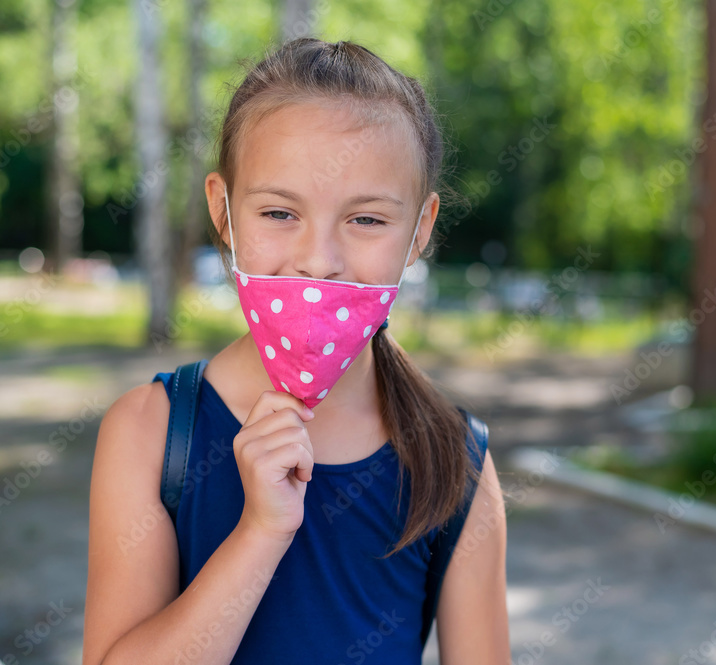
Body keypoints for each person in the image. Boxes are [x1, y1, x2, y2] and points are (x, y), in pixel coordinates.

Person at [82, 37, 510, 665]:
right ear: (222, 212)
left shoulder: (456, 463)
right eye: (280, 212)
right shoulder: (148, 433)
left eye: (366, 220)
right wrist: (260, 532)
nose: (319, 261)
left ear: (420, 229)